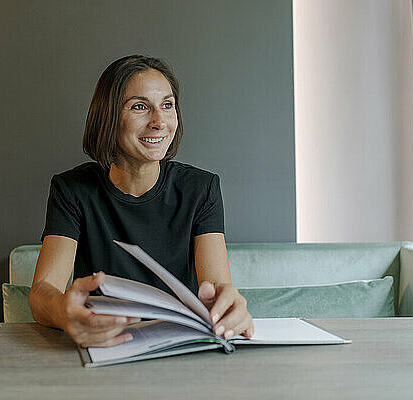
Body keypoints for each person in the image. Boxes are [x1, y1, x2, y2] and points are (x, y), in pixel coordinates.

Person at [29, 55, 253, 348]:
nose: (159, 122)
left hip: (179, 346)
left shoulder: (202, 188)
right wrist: (64, 313)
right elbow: (42, 293)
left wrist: (229, 308)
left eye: (167, 105)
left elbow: (217, 287)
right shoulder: (72, 190)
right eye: (140, 107)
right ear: (108, 116)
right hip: (106, 343)